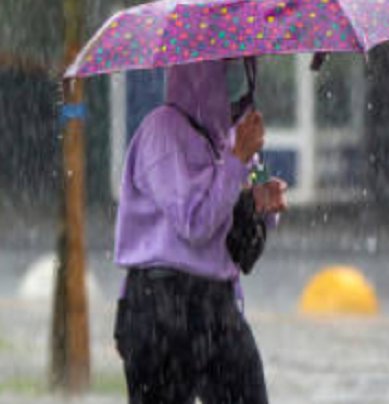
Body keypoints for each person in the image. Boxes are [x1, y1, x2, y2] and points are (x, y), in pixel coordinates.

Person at [113, 58, 289, 404]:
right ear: (204, 76)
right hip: (161, 306)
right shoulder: (161, 132)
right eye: (228, 73)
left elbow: (233, 210)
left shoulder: (231, 136)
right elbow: (194, 223)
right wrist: (237, 161)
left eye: (244, 71)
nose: (238, 85)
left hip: (216, 305)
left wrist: (262, 200)